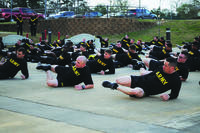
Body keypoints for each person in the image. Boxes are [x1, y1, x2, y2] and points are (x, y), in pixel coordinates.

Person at [102, 57, 182, 101]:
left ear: (172, 68)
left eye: (166, 65)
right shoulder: (162, 68)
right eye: (164, 64)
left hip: (145, 91)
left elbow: (175, 94)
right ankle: (118, 84)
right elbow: (151, 73)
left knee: (135, 91)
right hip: (140, 80)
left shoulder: (176, 80)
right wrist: (142, 72)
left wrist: (168, 96)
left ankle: (114, 86)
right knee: (118, 80)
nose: (163, 66)